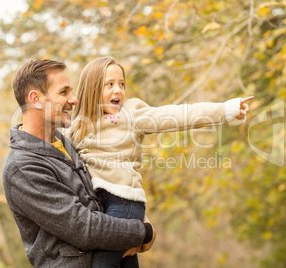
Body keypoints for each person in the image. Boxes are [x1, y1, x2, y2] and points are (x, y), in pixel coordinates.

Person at [68, 56, 254, 267]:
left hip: (124, 203)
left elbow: (176, 114)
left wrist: (225, 110)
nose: (118, 90)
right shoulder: (76, 127)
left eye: (121, 84)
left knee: (102, 264)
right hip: (99, 207)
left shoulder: (130, 114)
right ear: (91, 89)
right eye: (109, 84)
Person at [2, 59, 155, 268]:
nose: (74, 100)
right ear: (36, 99)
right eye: (63, 92)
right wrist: (142, 232)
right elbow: (83, 227)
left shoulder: (66, 141)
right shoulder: (23, 168)